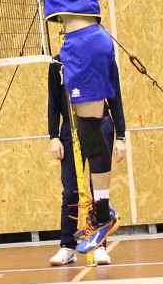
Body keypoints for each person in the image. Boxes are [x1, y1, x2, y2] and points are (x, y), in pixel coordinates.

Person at [6, 0, 120, 253]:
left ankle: (102, 215)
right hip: (89, 40)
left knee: (91, 130)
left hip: (83, 43)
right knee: (91, 125)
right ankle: (102, 211)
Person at [48, 54, 126, 265]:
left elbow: (116, 97)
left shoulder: (103, 58)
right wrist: (54, 136)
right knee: (70, 190)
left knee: (98, 190)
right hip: (70, 129)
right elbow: (53, 102)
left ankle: (99, 246)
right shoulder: (58, 64)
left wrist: (121, 136)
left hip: (100, 125)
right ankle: (67, 246)